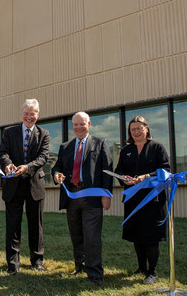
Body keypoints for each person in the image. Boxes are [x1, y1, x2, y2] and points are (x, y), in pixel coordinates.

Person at [51, 112, 113, 285]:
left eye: (82, 124)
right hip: (72, 197)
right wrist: (56, 174)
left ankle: (95, 273)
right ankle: (80, 266)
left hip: (92, 198)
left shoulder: (100, 143)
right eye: (75, 124)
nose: (78, 127)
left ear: (89, 124)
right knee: (76, 234)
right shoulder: (66, 147)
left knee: (92, 236)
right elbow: (57, 167)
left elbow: (107, 170)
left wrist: (106, 195)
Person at [114, 115, 170, 285]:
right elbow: (119, 170)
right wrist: (123, 178)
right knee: (137, 235)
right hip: (133, 199)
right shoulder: (126, 150)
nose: (137, 132)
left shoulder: (157, 147)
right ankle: (141, 268)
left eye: (139, 128)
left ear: (147, 128)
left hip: (153, 200)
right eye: (133, 129)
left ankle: (152, 272)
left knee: (151, 236)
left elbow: (166, 170)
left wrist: (147, 176)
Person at [0, 99, 50, 275]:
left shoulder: (44, 134)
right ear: (22, 114)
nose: (29, 117)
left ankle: (37, 260)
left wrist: (27, 167)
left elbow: (43, 157)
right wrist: (8, 164)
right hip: (13, 184)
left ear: (38, 115)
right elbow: (2, 152)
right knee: (13, 225)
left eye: (33, 113)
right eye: (26, 113)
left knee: (36, 225)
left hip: (35, 184)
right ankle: (13, 263)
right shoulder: (8, 132)